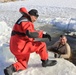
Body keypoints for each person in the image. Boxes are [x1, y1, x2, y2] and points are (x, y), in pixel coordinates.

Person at [4, 7, 57, 75]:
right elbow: (30, 33)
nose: (35, 20)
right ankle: (45, 62)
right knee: (42, 45)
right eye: (35, 18)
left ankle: (11, 69)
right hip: (21, 47)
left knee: (23, 64)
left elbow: (29, 32)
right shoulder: (25, 21)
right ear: (31, 15)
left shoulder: (22, 20)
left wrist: (41, 34)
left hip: (15, 47)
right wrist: (43, 34)